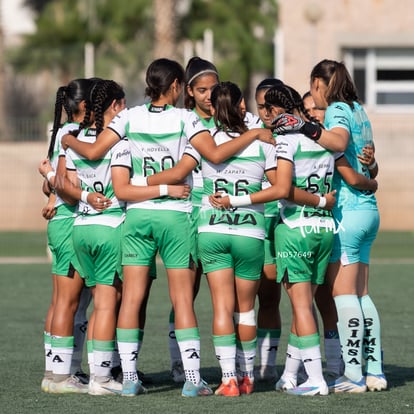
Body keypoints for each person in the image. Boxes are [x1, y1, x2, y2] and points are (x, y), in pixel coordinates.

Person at [60, 58, 273, 397]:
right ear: (176, 86)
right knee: (183, 299)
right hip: (175, 216)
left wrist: (69, 142)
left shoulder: (129, 118)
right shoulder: (186, 118)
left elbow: (98, 149)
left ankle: (128, 379)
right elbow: (215, 155)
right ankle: (191, 380)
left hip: (137, 216)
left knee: (130, 298)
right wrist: (254, 135)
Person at [273, 59, 385, 393]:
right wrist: (372, 174)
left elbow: (337, 145)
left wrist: (303, 127)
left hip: (347, 212)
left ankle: (353, 375)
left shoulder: (336, 108)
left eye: (313, 88)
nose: (314, 99)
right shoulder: (358, 109)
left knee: (343, 294)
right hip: (368, 211)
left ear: (321, 84)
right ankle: (375, 371)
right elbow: (367, 160)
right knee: (362, 294)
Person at [38, 79, 96, 394]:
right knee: (70, 301)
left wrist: (51, 191)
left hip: (61, 220)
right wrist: (54, 185)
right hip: (71, 220)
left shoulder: (61, 133)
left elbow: (51, 183)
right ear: (86, 106)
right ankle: (61, 376)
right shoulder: (75, 136)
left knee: (63, 300)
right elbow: (60, 184)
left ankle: (55, 370)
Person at [302, 90, 344, 380]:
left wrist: (372, 170)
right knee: (309, 300)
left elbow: (352, 172)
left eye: (318, 108)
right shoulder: (296, 139)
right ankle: (312, 367)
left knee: (327, 299)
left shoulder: (333, 141)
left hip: (329, 225)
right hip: (304, 226)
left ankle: (336, 363)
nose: (313, 113)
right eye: (308, 110)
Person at [253, 78, 284, 383]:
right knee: (243, 298)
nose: (266, 112)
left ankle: (269, 363)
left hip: (280, 222)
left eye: (271, 105)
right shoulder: (249, 129)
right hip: (251, 223)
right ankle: (240, 363)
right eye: (261, 105)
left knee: (271, 297)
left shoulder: (294, 131)